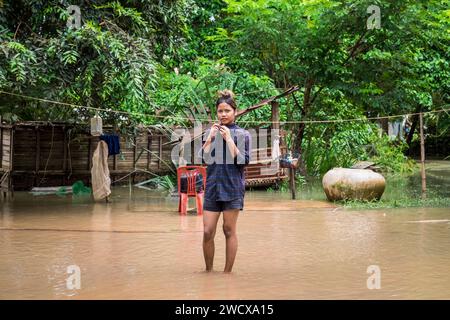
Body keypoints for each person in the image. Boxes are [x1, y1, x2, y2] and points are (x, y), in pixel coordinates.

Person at [198, 90, 252, 273]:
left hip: (232, 188)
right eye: (220, 111)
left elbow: (243, 162)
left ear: (235, 112)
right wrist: (211, 138)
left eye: (227, 110)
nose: (223, 114)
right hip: (213, 188)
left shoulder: (243, 134)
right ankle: (208, 271)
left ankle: (227, 273)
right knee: (207, 232)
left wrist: (229, 139)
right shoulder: (211, 132)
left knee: (229, 230)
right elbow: (203, 159)